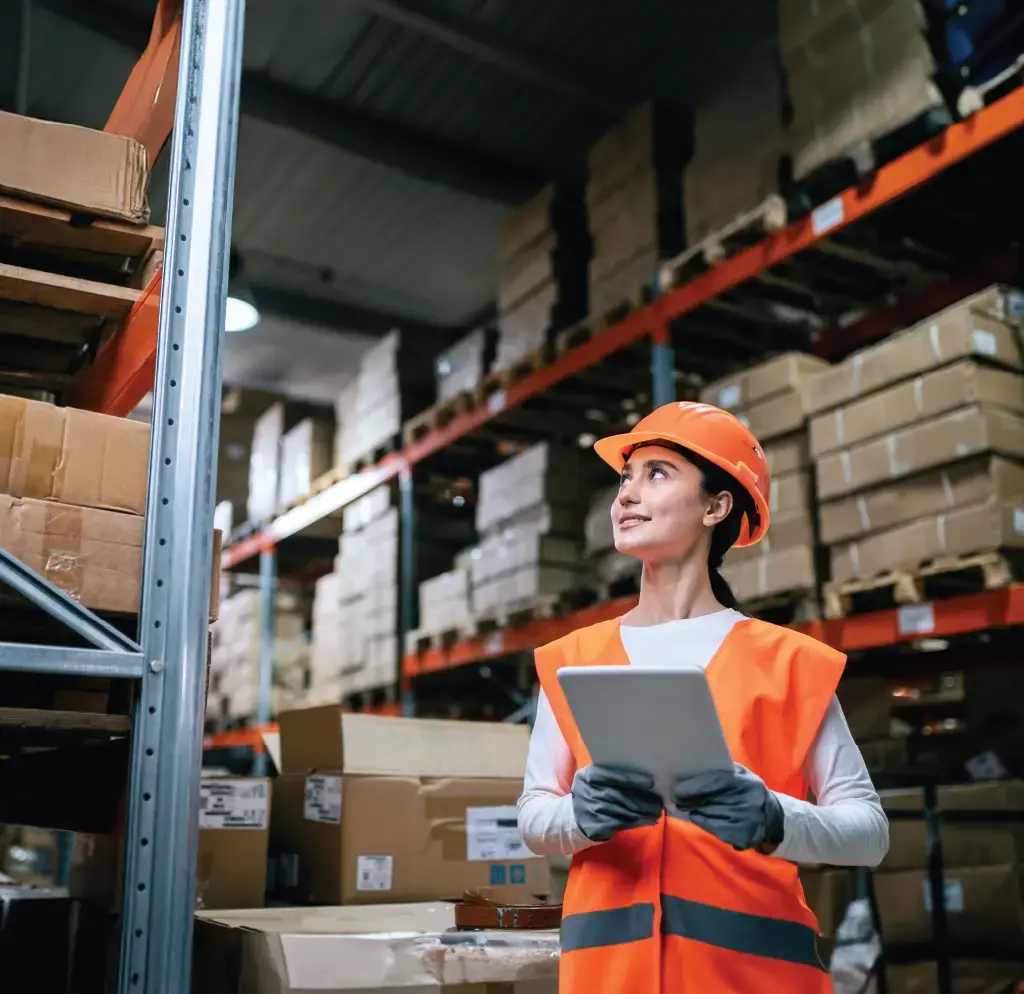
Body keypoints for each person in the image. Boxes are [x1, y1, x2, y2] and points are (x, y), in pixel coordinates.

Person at [517, 401, 889, 994]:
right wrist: (581, 818)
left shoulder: (790, 663)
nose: (626, 496)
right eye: (624, 479)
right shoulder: (571, 660)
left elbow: (868, 833)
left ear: (716, 507)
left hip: (754, 979)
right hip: (609, 978)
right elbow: (536, 816)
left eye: (656, 474)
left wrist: (773, 818)